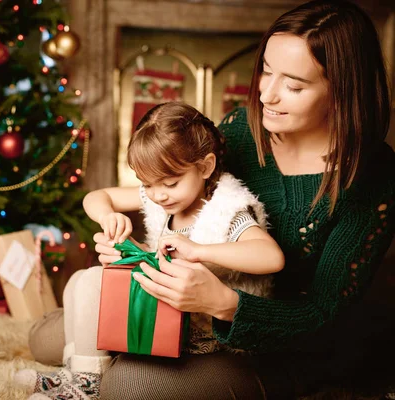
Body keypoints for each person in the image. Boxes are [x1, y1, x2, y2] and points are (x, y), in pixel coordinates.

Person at [27, 0, 395, 398]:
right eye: (266, 72)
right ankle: (99, 358)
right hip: (189, 315)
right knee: (44, 339)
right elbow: (172, 192)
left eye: (293, 85)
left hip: (281, 350)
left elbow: (325, 317)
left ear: (342, 89)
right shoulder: (240, 130)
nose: (267, 95)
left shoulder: (370, 176)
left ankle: (104, 368)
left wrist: (223, 303)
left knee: (129, 384)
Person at [15, 101, 284, 399]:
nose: (157, 195)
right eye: (147, 184)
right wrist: (110, 218)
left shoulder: (226, 210)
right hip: (163, 304)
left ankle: (88, 382)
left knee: (91, 287)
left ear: (205, 167)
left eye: (170, 183)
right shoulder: (162, 195)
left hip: (203, 332)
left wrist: (199, 251)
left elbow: (270, 257)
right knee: (81, 281)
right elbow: (96, 196)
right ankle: (81, 376)